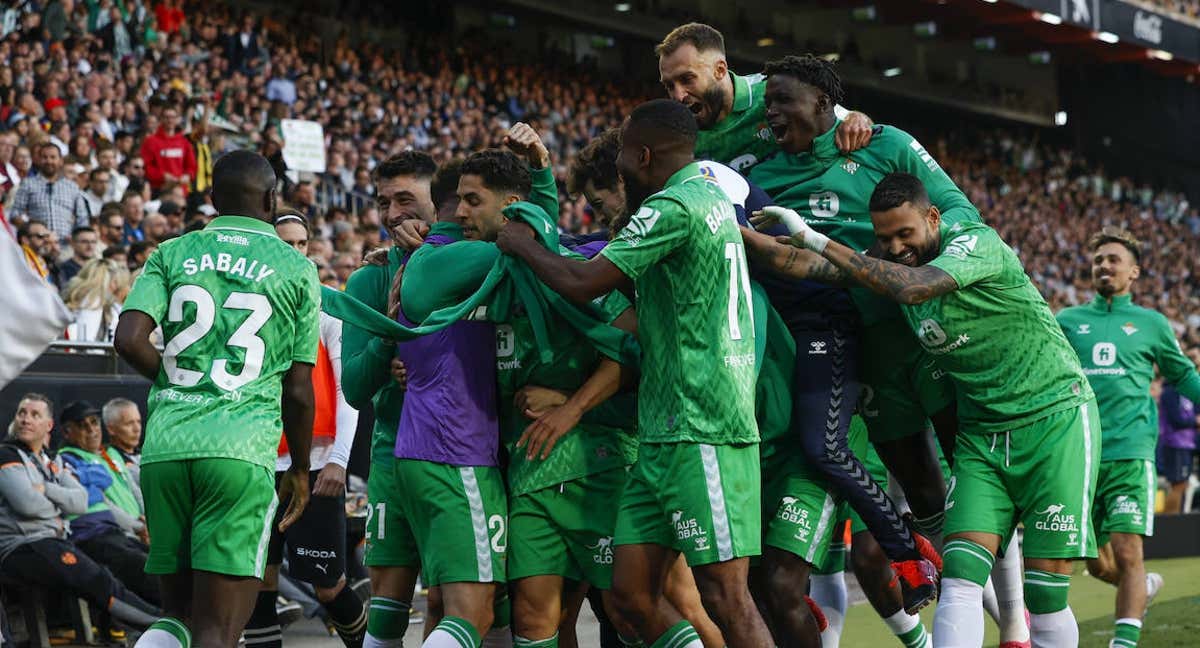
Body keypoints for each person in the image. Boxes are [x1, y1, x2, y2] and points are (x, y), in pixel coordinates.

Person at [766, 172, 1100, 647]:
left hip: (1055, 418)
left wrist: (816, 237)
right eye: (884, 238)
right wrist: (738, 232)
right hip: (982, 436)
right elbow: (815, 269)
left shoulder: (975, 244)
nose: (896, 246)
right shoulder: (892, 264)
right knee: (960, 577)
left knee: (1046, 593)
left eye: (906, 233)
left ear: (933, 217)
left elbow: (913, 287)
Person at [497, 99, 771, 648]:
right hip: (660, 436)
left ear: (641, 155)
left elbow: (581, 284)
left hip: (705, 432)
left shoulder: (673, 206)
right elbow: (637, 305)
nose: (617, 161)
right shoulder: (712, 198)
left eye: (622, 152)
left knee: (724, 596)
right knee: (629, 599)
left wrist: (521, 244)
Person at [114, 149, 321, 648]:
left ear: (212, 198)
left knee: (176, 617)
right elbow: (297, 388)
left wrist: (178, 384)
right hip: (238, 449)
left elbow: (128, 339)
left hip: (166, 447)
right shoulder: (295, 268)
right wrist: (298, 466)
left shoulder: (171, 252)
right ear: (273, 200)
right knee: (219, 630)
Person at [1056, 226, 1196, 647]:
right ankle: (1143, 588)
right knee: (1097, 564)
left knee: (1128, 550)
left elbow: (1183, 375)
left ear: (1133, 272)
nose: (1104, 266)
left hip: (1132, 453)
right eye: (1099, 259)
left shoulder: (1152, 324)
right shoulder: (1067, 321)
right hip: (1082, 454)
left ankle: (1124, 641)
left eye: (1114, 259)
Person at [241, 212, 367, 648]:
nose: (294, 251)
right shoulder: (246, 305)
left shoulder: (328, 305)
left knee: (327, 585)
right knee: (258, 580)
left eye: (300, 244)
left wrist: (338, 459)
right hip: (256, 462)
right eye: (284, 243)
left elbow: (346, 388)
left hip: (314, 463)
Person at [341, 151, 436, 648]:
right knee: (389, 605)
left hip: (463, 454)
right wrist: (386, 342)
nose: (394, 212)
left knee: (460, 600)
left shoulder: (470, 261)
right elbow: (355, 388)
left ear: (436, 199)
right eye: (384, 202)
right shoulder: (368, 280)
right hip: (392, 454)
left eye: (406, 198)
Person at [0, 394, 159, 629]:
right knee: (99, 579)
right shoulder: (7, 454)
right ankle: (161, 626)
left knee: (116, 573)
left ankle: (167, 623)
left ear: (48, 425)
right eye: (21, 413)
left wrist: (45, 489)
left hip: (54, 540)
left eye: (35, 415)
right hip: (20, 545)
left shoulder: (51, 460)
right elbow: (28, 504)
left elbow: (80, 502)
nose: (25, 419)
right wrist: (58, 506)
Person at [56, 400, 159, 605]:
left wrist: (147, 522)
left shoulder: (100, 457)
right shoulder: (66, 460)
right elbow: (97, 500)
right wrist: (139, 527)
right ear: (67, 432)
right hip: (93, 533)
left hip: (121, 530)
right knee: (144, 565)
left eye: (94, 422)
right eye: (82, 425)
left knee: (163, 563)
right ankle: (175, 619)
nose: (91, 429)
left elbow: (128, 488)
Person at [10, 142, 90, 241]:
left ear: (60, 161)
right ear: (39, 160)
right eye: (45, 157)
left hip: (66, 245)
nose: (49, 161)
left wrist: (76, 237)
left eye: (53, 157)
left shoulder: (72, 187)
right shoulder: (28, 184)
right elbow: (15, 214)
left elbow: (82, 218)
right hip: (38, 245)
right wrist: (32, 230)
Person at [63, 258, 132, 343]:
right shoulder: (93, 299)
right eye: (114, 281)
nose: (115, 287)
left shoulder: (84, 296)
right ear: (105, 281)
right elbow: (87, 341)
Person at [140, 105, 197, 194]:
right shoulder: (151, 141)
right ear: (161, 119)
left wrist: (187, 176)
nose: (170, 120)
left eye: (173, 117)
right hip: (159, 189)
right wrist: (162, 176)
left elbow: (191, 166)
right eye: (167, 117)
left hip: (181, 190)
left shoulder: (184, 142)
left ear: (177, 119)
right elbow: (146, 166)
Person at [103, 397, 143, 466]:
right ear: (111, 429)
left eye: (139, 422)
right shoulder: (106, 460)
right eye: (129, 423)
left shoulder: (147, 456)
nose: (137, 429)